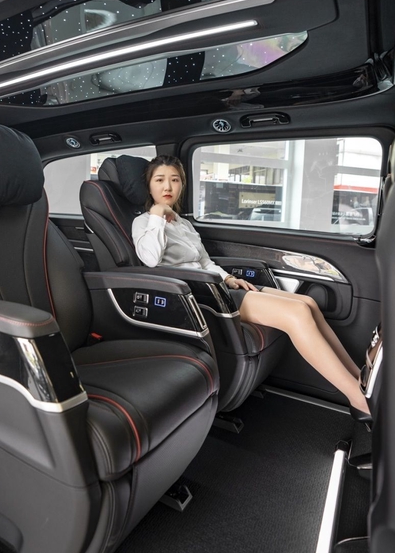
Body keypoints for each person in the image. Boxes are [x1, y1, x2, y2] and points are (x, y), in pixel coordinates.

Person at [132, 155, 370, 418]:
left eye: (174, 180)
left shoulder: (183, 223)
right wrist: (157, 215)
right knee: (297, 314)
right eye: (159, 180)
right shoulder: (143, 222)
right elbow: (150, 259)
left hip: (218, 286)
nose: (167, 186)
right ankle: (357, 398)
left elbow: (205, 261)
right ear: (149, 186)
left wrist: (228, 278)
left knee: (308, 303)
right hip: (198, 295)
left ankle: (359, 378)